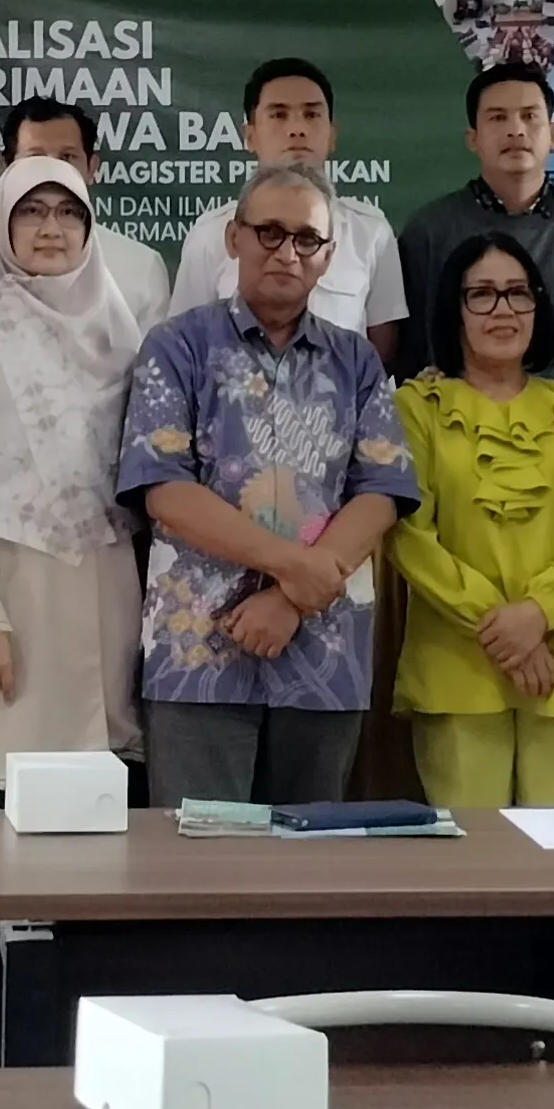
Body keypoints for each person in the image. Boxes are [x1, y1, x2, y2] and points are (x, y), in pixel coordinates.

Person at [120, 165, 420, 807]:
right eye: (269, 233)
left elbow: (383, 490)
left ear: (328, 256)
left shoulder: (357, 361)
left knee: (310, 857)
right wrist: (294, 568)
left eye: (307, 239)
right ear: (234, 238)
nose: (287, 252)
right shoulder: (177, 347)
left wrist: (291, 598)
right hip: (197, 652)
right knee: (201, 855)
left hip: (325, 655)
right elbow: (163, 489)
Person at [0, 158, 150, 795]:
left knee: (93, 797)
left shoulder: (119, 340)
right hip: (9, 599)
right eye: (32, 212)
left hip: (102, 593)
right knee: (4, 790)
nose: (51, 228)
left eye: (69, 212)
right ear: (1, 227)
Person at [387, 235, 554, 808]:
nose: (503, 310)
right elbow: (411, 538)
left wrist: (539, 613)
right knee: (473, 854)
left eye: (519, 293)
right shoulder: (417, 408)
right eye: (482, 294)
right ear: (454, 309)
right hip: (458, 664)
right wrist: (506, 632)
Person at [394, 62, 554, 378]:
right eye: (497, 118)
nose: (516, 130)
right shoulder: (428, 232)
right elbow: (410, 356)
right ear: (473, 139)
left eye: (530, 116)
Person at [167, 58, 407, 356]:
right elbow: (185, 344)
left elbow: (382, 355)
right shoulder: (210, 234)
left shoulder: (371, 233)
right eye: (279, 115)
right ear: (250, 136)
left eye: (311, 115)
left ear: (332, 135)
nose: (297, 129)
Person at [0, 95, 171, 315]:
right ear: (4, 168)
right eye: (35, 157)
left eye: (67, 158)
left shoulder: (141, 268)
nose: (52, 169)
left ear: (92, 168)